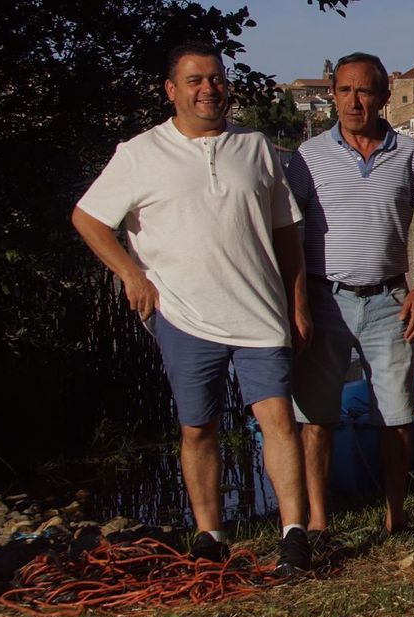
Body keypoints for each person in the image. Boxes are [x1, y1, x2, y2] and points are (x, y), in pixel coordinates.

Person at [71, 42, 311, 572]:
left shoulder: (254, 147)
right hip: (184, 314)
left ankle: (294, 535)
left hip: (260, 312)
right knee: (198, 427)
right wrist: (131, 274)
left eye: (217, 78)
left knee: (278, 420)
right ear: (171, 90)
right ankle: (209, 537)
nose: (209, 89)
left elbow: (285, 233)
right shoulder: (139, 153)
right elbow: (88, 218)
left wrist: (298, 302)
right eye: (195, 80)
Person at [284, 53, 414, 539]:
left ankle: (396, 516)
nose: (355, 102)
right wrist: (297, 303)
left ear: (383, 97)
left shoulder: (409, 153)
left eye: (365, 91)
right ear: (333, 95)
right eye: (345, 90)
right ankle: (317, 522)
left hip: (389, 300)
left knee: (397, 417)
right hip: (325, 299)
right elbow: (288, 231)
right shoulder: (308, 157)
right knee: (316, 417)